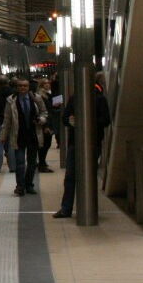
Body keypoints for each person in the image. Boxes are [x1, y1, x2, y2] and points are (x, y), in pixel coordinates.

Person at [53, 72, 111, 219]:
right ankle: (66, 208)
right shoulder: (74, 99)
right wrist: (71, 121)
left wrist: (86, 121)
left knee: (88, 176)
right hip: (76, 143)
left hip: (93, 142)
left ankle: (88, 208)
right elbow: (65, 118)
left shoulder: (99, 99)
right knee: (70, 176)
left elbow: (106, 120)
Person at [2, 78, 47, 196]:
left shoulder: (36, 99)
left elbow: (44, 112)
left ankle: (29, 185)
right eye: (20, 86)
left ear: (28, 87)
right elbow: (7, 120)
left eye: (25, 86)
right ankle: (20, 186)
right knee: (20, 163)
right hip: (18, 136)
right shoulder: (11, 101)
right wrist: (3, 136)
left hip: (33, 135)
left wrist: (41, 120)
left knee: (32, 163)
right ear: (17, 87)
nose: (22, 88)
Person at [36, 77, 55, 173]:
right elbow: (43, 111)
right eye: (45, 83)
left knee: (46, 144)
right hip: (45, 123)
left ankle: (42, 162)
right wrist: (46, 126)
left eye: (48, 83)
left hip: (48, 122)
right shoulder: (41, 96)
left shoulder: (47, 95)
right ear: (41, 85)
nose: (48, 85)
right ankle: (41, 164)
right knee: (45, 144)